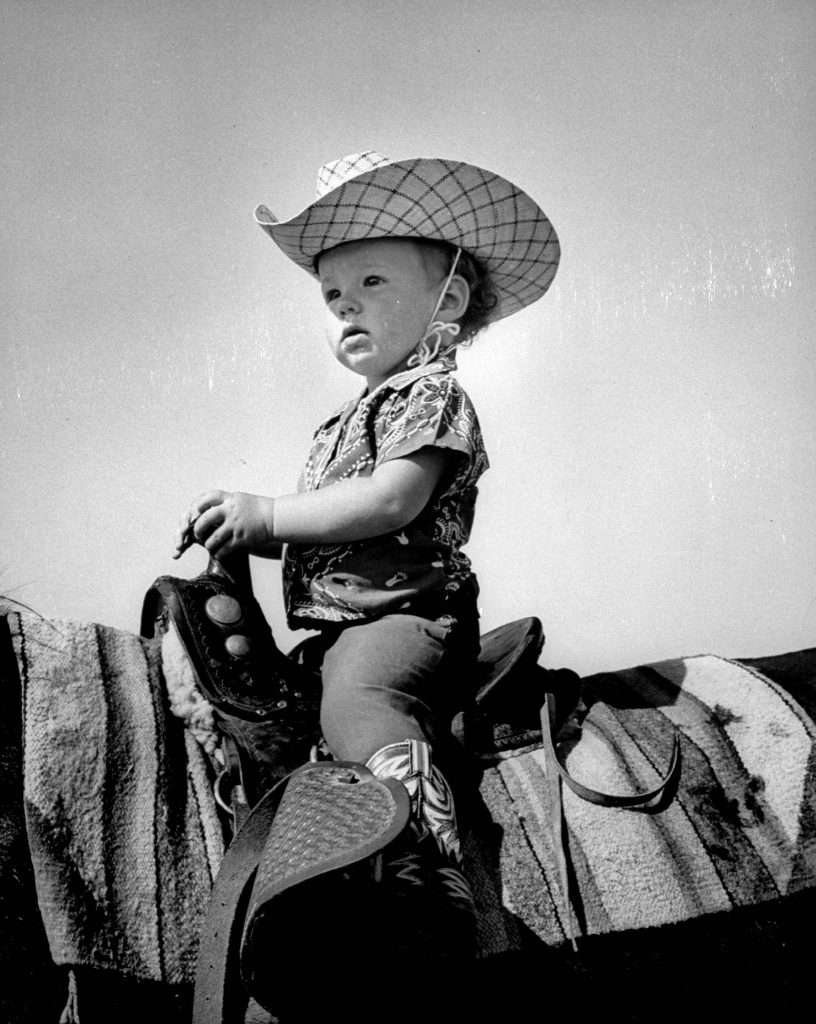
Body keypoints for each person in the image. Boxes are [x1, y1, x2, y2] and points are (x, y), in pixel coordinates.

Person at [172, 151, 560, 961]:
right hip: (340, 629)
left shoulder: (432, 395)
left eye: (373, 284)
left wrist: (270, 513)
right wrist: (244, 529)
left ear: (446, 299)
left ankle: (424, 868)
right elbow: (332, 527)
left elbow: (392, 501)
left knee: (361, 702)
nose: (346, 304)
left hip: (406, 621)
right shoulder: (339, 425)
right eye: (332, 294)